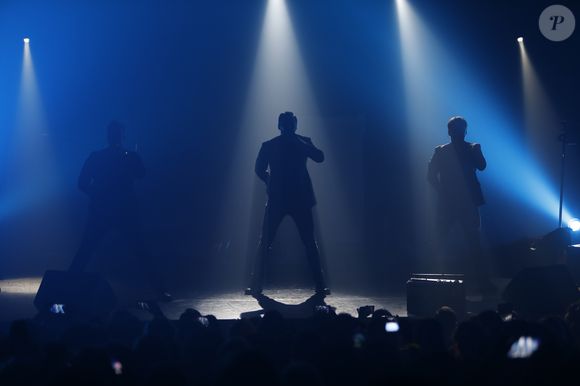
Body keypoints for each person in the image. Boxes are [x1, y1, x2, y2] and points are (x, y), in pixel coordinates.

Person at [69, 121, 170, 301]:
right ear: (120, 136)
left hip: (108, 210)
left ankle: (64, 288)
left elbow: (82, 183)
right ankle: (160, 291)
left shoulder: (102, 156)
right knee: (140, 251)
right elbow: (141, 174)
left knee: (86, 250)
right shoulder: (124, 156)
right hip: (121, 211)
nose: (115, 136)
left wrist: (97, 195)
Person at [246, 112, 329, 296]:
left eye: (292, 123)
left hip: (298, 199)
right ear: (280, 126)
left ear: (295, 125)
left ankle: (320, 284)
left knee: (308, 242)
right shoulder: (269, 145)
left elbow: (320, 157)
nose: (290, 127)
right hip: (279, 198)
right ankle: (256, 283)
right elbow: (259, 168)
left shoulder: (302, 142)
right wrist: (268, 180)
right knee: (266, 241)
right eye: (287, 124)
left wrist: (301, 143)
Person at [427, 116, 492, 293]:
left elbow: (482, 166)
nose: (459, 132)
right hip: (457, 203)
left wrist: (476, 150)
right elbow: (431, 176)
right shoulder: (441, 151)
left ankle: (482, 283)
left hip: (464, 203)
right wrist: (443, 192)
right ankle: (432, 280)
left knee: (471, 243)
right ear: (450, 131)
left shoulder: (470, 148)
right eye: (457, 129)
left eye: (461, 129)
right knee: (447, 242)